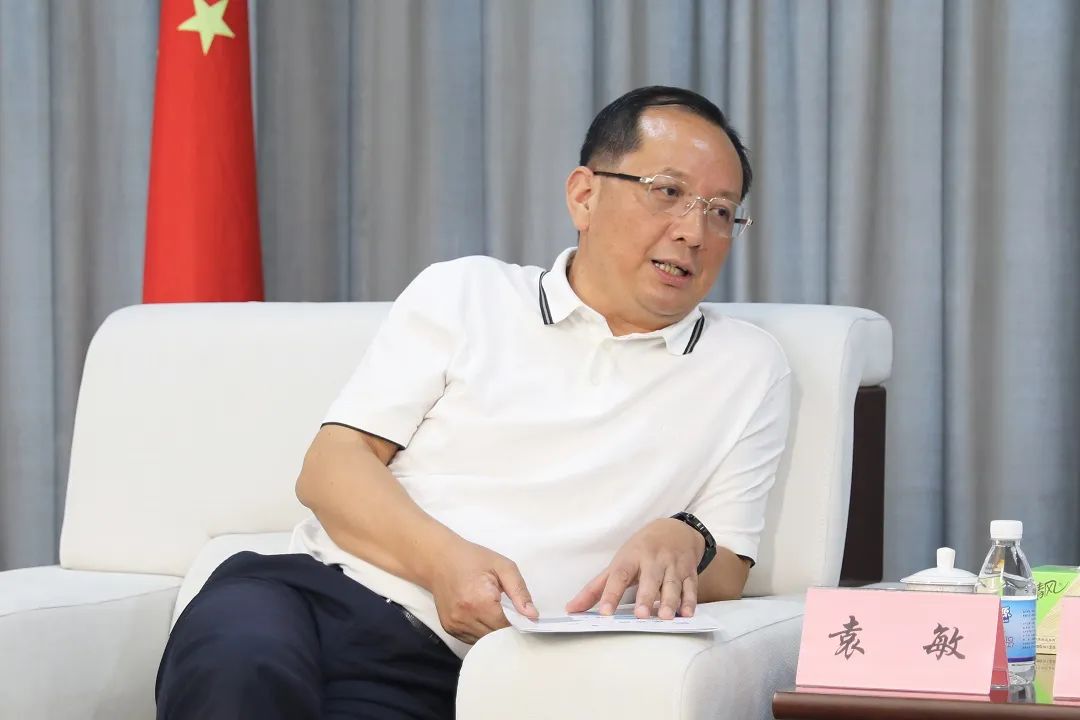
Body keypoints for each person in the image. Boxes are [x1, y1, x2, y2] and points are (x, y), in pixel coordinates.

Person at [155, 85, 792, 720]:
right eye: (668, 192)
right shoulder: (467, 293)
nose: (693, 232)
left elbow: (729, 566)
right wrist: (443, 565)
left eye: (720, 212)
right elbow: (330, 468)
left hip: (463, 669)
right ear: (585, 195)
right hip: (314, 597)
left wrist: (686, 538)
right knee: (236, 665)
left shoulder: (746, 364)